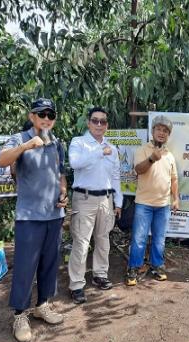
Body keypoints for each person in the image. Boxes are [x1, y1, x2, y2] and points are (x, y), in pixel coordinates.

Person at [0, 98, 67, 342]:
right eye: (42, 114)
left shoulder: (57, 143)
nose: (47, 118)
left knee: (50, 264)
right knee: (26, 267)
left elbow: (60, 174)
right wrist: (26, 146)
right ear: (32, 117)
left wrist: (63, 192)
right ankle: (20, 314)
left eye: (51, 114)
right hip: (29, 216)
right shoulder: (20, 138)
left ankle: (43, 305)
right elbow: (1, 160)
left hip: (54, 215)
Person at [68, 107, 122, 304]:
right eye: (95, 120)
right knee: (81, 242)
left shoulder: (113, 148)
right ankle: (76, 284)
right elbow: (75, 163)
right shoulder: (79, 142)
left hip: (106, 199)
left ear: (107, 125)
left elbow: (116, 176)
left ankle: (100, 274)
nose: (99, 124)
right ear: (88, 122)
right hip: (84, 198)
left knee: (103, 239)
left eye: (103, 121)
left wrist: (119, 201)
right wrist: (100, 151)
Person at [126, 115, 179, 285]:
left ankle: (157, 266)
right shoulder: (142, 150)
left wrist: (175, 198)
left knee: (159, 238)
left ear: (168, 135)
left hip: (163, 205)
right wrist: (151, 159)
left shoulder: (170, 155)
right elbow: (138, 169)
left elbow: (174, 179)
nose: (162, 133)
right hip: (144, 204)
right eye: (159, 129)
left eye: (165, 131)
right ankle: (133, 268)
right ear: (153, 131)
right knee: (139, 238)